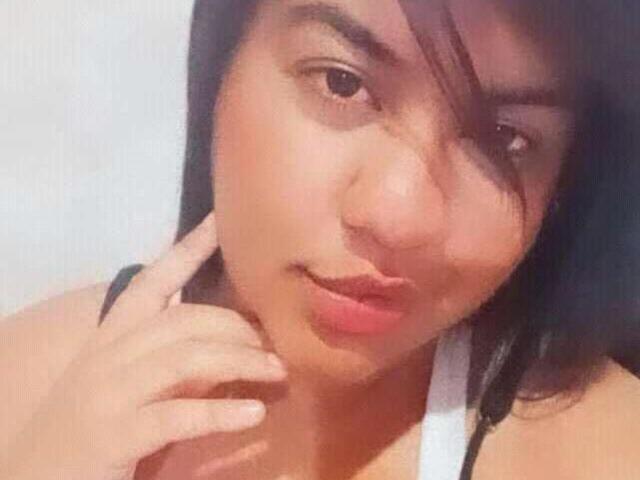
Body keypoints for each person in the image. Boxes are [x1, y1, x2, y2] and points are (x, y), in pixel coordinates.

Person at [1, 1, 639, 479]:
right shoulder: (31, 388)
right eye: (342, 83)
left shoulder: (604, 451)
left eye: (504, 139)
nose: (397, 216)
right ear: (220, 66)